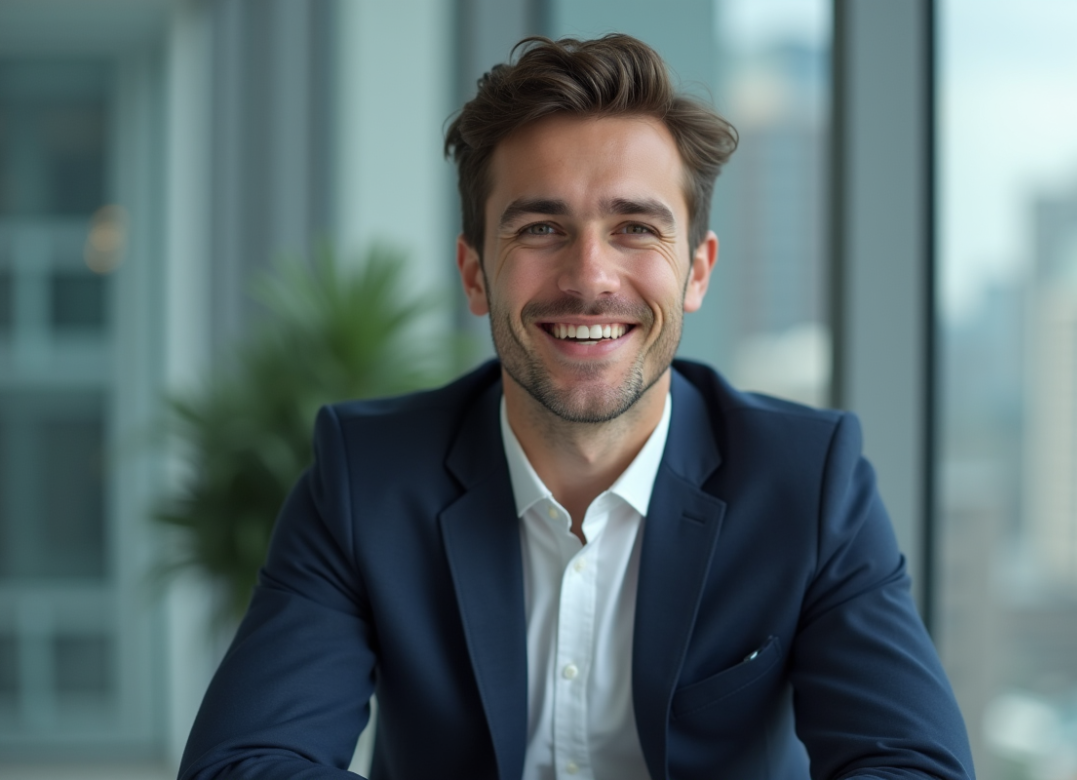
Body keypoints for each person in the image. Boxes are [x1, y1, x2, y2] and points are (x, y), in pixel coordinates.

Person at [179, 34, 974, 780]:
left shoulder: (809, 483)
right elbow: (243, 763)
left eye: (635, 228)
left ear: (697, 271)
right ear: (474, 273)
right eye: (540, 228)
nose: (591, 276)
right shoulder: (366, 478)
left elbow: (913, 766)